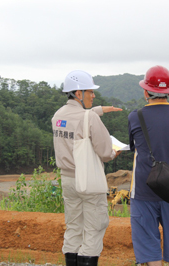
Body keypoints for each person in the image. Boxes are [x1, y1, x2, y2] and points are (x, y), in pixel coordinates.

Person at [51, 70, 122, 266]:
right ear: (78, 93)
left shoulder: (57, 116)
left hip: (67, 179)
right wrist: (115, 152)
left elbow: (78, 118)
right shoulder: (90, 119)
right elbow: (106, 152)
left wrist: (101, 109)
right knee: (95, 227)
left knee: (74, 226)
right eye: (90, 91)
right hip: (88, 180)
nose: (93, 95)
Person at [128, 65, 169, 266]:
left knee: (147, 242)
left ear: (146, 92)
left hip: (145, 187)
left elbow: (134, 146)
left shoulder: (135, 117)